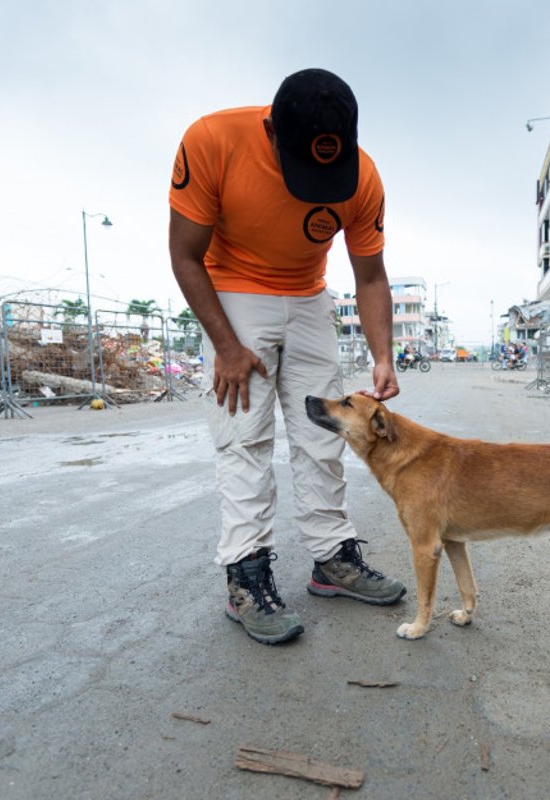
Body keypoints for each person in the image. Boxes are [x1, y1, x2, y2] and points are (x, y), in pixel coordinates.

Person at [169, 68, 405, 646]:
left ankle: (331, 559)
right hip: (233, 291)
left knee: (325, 431)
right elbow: (184, 254)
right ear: (272, 132)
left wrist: (383, 355)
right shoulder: (213, 141)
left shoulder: (363, 175)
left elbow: (370, 274)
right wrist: (227, 346)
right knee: (244, 436)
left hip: (308, 296)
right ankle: (246, 575)